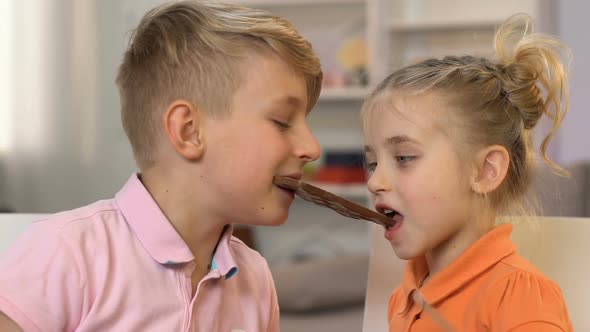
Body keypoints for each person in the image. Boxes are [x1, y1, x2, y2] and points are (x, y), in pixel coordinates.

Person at [0, 0, 322, 331]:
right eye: (282, 121)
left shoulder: (255, 277)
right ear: (189, 131)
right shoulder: (66, 253)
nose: (312, 148)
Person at [361, 13, 573, 331]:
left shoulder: (521, 300)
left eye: (403, 157)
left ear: (486, 171)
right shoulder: (403, 296)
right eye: (373, 163)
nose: (374, 181)